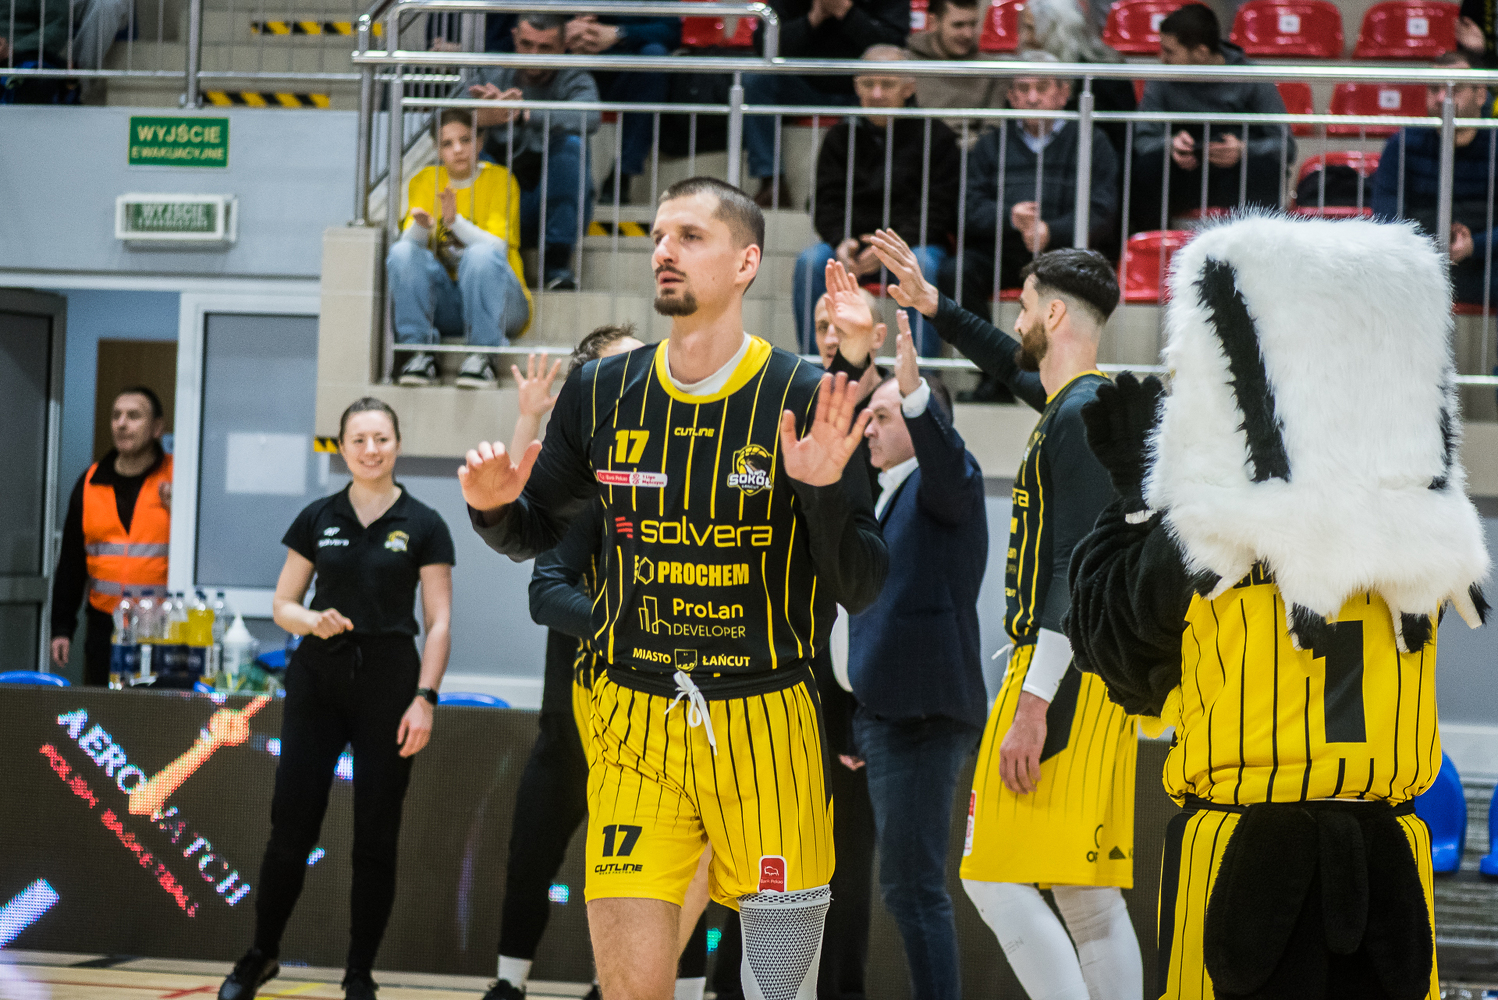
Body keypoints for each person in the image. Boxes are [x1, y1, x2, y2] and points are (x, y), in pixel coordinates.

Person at [458, 175, 888, 1000]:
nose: (664, 251)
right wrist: (492, 508)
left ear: (746, 262)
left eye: (691, 236)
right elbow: (536, 536)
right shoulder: (601, 390)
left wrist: (824, 491)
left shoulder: (802, 395)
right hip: (634, 722)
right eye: (659, 235)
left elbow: (861, 585)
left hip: (768, 723)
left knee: (778, 993)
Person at [1064, 214, 1491, 1000]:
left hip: (1242, 856)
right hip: (1388, 858)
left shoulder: (1209, 536)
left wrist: (1132, 504)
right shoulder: (1434, 537)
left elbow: (1118, 660)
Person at [870, 227, 1144, 1000]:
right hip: (1091, 669)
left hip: (1059, 672)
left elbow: (1071, 569)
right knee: (1087, 897)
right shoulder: (1082, 406)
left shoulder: (1080, 415)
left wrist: (1032, 703)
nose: (1015, 321)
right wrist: (936, 307)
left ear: (1053, 316)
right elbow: (1006, 360)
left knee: (990, 876)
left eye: (1023, 307)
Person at [485, 332, 716, 1000]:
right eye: (623, 362)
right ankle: (509, 984)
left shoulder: (682, 461)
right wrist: (528, 417)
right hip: (579, 707)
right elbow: (521, 521)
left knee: (679, 869)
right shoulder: (582, 481)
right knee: (537, 854)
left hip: (672, 718)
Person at [218, 398, 455, 1000]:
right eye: (359, 440)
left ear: (396, 444)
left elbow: (440, 622)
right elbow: (283, 605)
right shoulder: (317, 517)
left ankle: (358, 972)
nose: (371, 450)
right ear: (342, 447)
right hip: (318, 680)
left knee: (375, 835)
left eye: (381, 439)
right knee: (291, 826)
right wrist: (311, 621)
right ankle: (261, 954)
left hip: (390, 683)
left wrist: (425, 698)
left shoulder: (425, 523)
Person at [828, 264, 988, 1000]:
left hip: (922, 720)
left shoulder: (942, 482)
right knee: (903, 888)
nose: (871, 426)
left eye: (884, 417)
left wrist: (916, 395)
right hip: (885, 719)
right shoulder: (890, 492)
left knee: (914, 889)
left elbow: (951, 465)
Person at [795, 45, 960, 357]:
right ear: (856, 87)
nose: (877, 93)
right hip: (853, 244)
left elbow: (939, 207)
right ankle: (815, 368)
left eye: (888, 84)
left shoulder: (936, 136)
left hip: (911, 244)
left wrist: (891, 247)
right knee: (811, 262)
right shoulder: (840, 136)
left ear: (909, 87)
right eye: (868, 84)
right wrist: (841, 241)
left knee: (922, 265)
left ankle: (923, 372)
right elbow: (824, 200)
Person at [942, 51, 1120, 318]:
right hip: (1001, 252)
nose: (1032, 98)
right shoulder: (990, 144)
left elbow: (1103, 211)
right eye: (1023, 89)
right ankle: (985, 343)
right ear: (1011, 97)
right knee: (954, 273)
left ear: (1063, 94)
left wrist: (1050, 231)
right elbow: (968, 209)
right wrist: (1010, 217)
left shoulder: (1093, 141)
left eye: (1042, 87)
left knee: (1082, 280)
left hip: (1065, 254)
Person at [390, 110, 532, 389]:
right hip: (449, 306)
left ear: (479, 142)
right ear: (437, 149)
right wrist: (421, 227)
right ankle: (419, 354)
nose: (457, 149)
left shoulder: (500, 179)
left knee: (480, 255)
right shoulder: (425, 180)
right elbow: (408, 249)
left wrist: (454, 223)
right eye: (447, 143)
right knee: (401, 252)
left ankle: (483, 357)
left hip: (503, 305)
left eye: (465, 140)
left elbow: (498, 247)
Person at [50, 387, 172, 687]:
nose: (121, 423)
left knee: (160, 712)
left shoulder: (177, 478)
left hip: (164, 627)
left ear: (157, 427)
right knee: (106, 710)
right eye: (116, 415)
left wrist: (179, 509)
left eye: (134, 416)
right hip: (106, 625)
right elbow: (71, 561)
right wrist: (62, 627)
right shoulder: (90, 482)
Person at [1131, 3, 1291, 230]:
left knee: (1265, 169)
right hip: (1184, 174)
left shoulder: (1251, 76)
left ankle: (1261, 243)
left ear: (1201, 53)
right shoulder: (1161, 77)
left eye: (1169, 51)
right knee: (1147, 167)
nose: (1161, 58)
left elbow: (1285, 146)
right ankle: (1151, 246)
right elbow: (1142, 139)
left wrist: (1243, 149)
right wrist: (1170, 145)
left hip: (1238, 175)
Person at [470, 13, 600, 291]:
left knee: (571, 146)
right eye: (526, 44)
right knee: (471, 150)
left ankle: (556, 265)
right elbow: (443, 118)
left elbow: (590, 117)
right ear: (514, 37)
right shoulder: (492, 71)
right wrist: (480, 118)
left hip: (549, 205)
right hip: (499, 201)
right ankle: (479, 256)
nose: (533, 55)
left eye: (545, 48)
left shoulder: (574, 76)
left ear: (564, 46)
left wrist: (524, 114)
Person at [743, 0, 910, 206]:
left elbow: (895, 47)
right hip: (803, 85)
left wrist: (846, 12)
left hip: (863, 89)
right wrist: (813, 18)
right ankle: (771, 180)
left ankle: (880, 185)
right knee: (755, 80)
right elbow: (765, 46)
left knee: (898, 84)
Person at [1372, 51, 1497, 308]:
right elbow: (1386, 218)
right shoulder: (1401, 145)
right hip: (1419, 263)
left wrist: (1474, 245)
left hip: (1486, 262)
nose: (1442, 98)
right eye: (1434, 89)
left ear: (1481, 95)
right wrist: (1431, 245)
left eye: (1455, 89)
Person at [564, 12, 681, 204]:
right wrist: (564, 31)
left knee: (654, 55)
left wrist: (620, 33)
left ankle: (623, 174)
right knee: (539, 44)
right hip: (568, 55)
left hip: (625, 65)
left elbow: (671, 30)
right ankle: (559, 175)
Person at [1017, 0, 1136, 160]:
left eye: (1030, 28)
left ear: (1055, 30)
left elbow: (1122, 145)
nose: (1024, 37)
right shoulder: (1021, 78)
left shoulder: (1107, 79)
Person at [905, 0, 1007, 138]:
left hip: (970, 147)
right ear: (934, 22)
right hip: (919, 146)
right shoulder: (904, 63)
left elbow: (992, 129)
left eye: (973, 24)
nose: (968, 34)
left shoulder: (991, 69)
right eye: (958, 25)